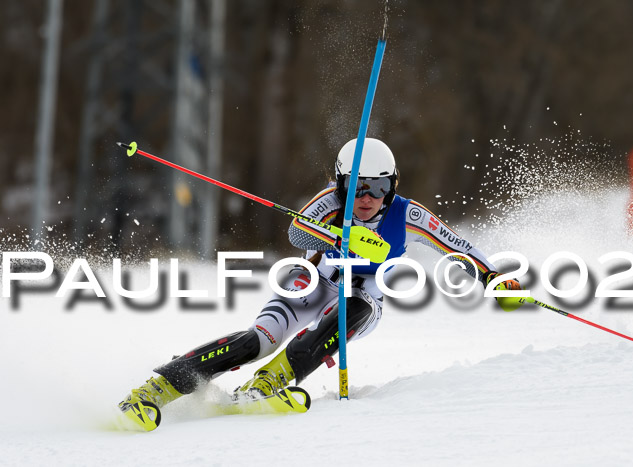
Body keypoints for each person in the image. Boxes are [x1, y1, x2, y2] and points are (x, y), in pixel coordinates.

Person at [118, 138, 521, 426]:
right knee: (256, 341)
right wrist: (342, 235)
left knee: (354, 310)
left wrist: (492, 279)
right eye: (356, 188)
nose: (366, 198)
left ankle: (270, 382)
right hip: (311, 285)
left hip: (362, 296)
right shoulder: (330, 202)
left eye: (378, 187)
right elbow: (297, 232)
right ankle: (158, 388)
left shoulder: (408, 215)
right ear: (342, 184)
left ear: (392, 186)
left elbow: (456, 246)